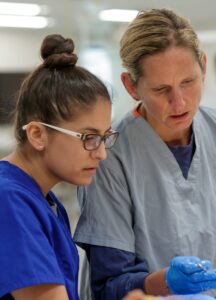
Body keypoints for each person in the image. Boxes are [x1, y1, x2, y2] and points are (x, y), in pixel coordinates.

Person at [74, 8, 216, 300]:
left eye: (188, 82)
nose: (180, 102)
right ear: (131, 86)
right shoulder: (110, 158)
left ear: (204, 66)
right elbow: (109, 284)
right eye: (161, 89)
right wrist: (167, 285)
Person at [0, 34, 119, 300]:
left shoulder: (47, 201)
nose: (101, 154)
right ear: (38, 135)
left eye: (105, 137)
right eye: (89, 138)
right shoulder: (9, 201)